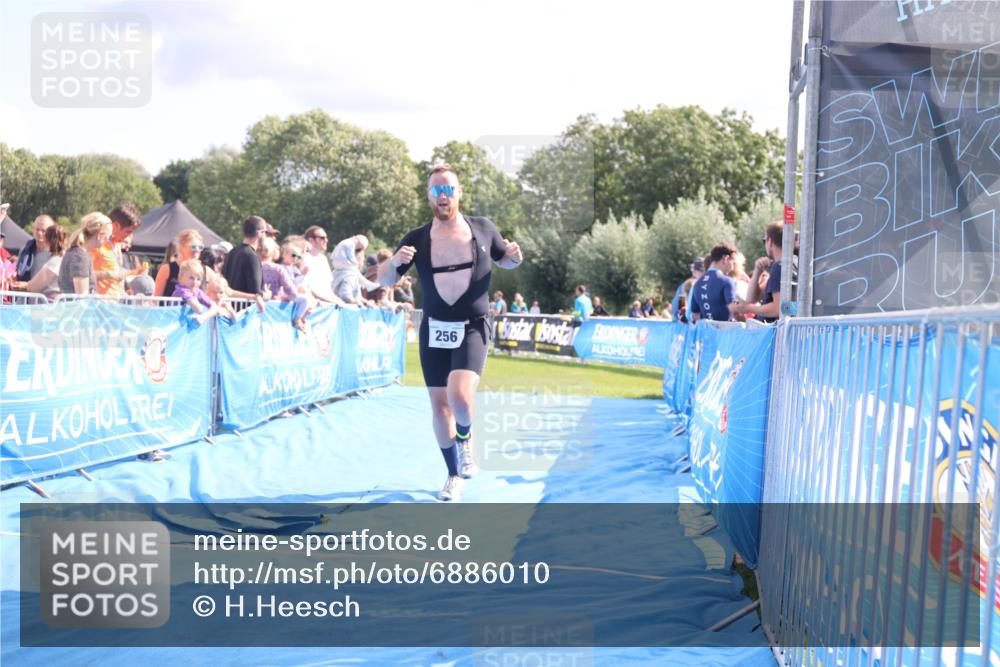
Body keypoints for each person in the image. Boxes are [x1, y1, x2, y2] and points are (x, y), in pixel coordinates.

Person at [377, 163, 523, 501]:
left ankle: (467, 438)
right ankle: (453, 474)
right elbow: (384, 279)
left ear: (458, 193)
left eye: (448, 190)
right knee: (439, 407)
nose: (443, 196)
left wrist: (516, 256)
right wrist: (396, 261)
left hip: (473, 324)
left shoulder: (482, 228)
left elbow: (508, 261)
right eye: (436, 191)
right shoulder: (416, 238)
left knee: (460, 395)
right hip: (435, 328)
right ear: (429, 196)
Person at [733, 222, 784, 323]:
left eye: (764, 241)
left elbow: (777, 308)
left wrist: (748, 308)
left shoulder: (779, 267)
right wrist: (757, 271)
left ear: (770, 242)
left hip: (775, 335)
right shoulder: (782, 266)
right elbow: (751, 299)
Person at [259, 237, 310, 331]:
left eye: (298, 257)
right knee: (305, 299)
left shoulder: (253, 267)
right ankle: (298, 319)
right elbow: (291, 290)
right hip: (276, 302)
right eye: (294, 255)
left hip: (261, 303)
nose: (296, 259)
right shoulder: (279, 268)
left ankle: (301, 318)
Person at [91, 203, 142, 295]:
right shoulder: (97, 244)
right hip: (100, 304)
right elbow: (84, 275)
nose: (129, 236)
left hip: (116, 303)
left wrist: (134, 272)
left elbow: (117, 274)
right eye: (128, 231)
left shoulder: (117, 245)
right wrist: (109, 274)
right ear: (116, 226)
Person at [12, 225, 67, 301]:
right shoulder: (64, 258)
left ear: (47, 240)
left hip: (48, 307)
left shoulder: (55, 261)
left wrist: (18, 285)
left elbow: (33, 286)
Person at [60, 212, 109, 294]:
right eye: (108, 237)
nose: (108, 241)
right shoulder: (80, 257)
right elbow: (82, 299)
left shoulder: (78, 254)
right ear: (100, 235)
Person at [689, 242, 739, 322]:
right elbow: (734, 309)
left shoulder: (697, 284)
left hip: (706, 333)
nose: (732, 267)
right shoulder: (727, 281)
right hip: (725, 332)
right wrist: (745, 322)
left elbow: (694, 316)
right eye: (733, 262)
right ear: (726, 259)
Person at [222, 216, 268, 297]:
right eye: (265, 232)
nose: (266, 236)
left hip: (230, 307)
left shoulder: (232, 252)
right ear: (259, 234)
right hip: (245, 308)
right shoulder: (252, 256)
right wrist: (267, 295)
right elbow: (256, 293)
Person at [155, 229, 206, 298]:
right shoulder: (167, 269)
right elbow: (156, 299)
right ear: (182, 247)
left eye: (200, 247)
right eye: (193, 247)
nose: (197, 250)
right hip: (170, 308)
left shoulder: (204, 269)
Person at [301, 225, 345, 305]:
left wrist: (338, 300)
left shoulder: (323, 259)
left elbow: (328, 288)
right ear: (311, 240)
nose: (326, 240)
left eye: (326, 237)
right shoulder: (303, 259)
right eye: (322, 238)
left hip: (327, 305)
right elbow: (308, 288)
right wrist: (331, 301)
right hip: (313, 306)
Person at [172, 259, 224, 325]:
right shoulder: (182, 291)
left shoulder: (198, 291)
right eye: (191, 278)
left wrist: (203, 317)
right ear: (181, 277)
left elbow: (215, 307)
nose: (195, 282)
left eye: (198, 279)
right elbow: (198, 308)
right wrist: (207, 310)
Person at [15, 215, 55, 281]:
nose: (39, 233)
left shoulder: (56, 253)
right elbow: (17, 271)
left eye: (43, 230)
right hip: (24, 290)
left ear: (51, 232)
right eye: (37, 229)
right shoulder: (25, 250)